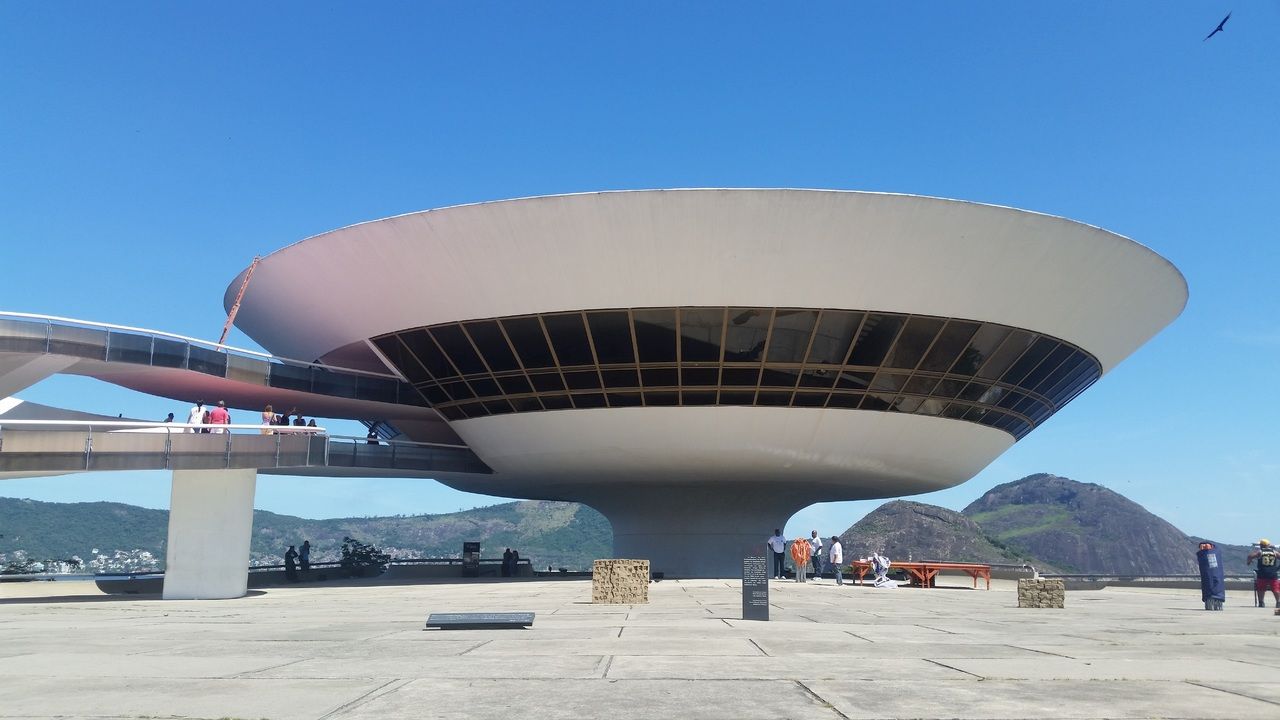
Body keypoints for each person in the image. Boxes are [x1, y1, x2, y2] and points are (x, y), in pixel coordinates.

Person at [1247, 538, 1280, 608]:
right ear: (1268, 545)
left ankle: (1261, 602)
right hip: (1273, 573)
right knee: (1275, 588)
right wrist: (1277, 568)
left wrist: (1249, 562)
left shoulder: (1260, 552)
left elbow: (1250, 556)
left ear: (1261, 545)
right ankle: (1278, 602)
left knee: (1261, 589)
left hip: (1262, 573)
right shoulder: (1274, 552)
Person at [1196, 541, 1225, 610]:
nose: (1205, 547)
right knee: (1209, 579)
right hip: (1208, 576)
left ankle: (1215, 602)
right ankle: (1212, 602)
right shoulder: (1205, 554)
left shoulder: (1215, 552)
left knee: (1213, 579)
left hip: (1214, 579)